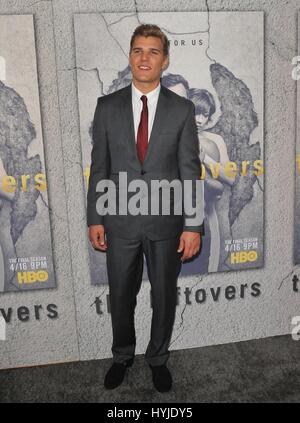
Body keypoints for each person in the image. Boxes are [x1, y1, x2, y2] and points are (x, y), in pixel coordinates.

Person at [87, 24, 204, 392]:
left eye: (153, 51)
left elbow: (190, 169)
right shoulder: (106, 107)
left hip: (167, 223)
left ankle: (158, 358)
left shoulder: (182, 110)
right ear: (130, 56)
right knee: (120, 294)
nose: (144, 58)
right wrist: (95, 218)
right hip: (119, 221)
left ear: (164, 60)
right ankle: (122, 355)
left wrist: (193, 225)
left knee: (164, 296)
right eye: (138, 50)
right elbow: (100, 166)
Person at [188, 88, 235, 273]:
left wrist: (204, 158)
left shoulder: (215, 140)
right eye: (195, 113)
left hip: (208, 214)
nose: (199, 120)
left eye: (204, 114)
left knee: (208, 268)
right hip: (176, 215)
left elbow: (230, 178)